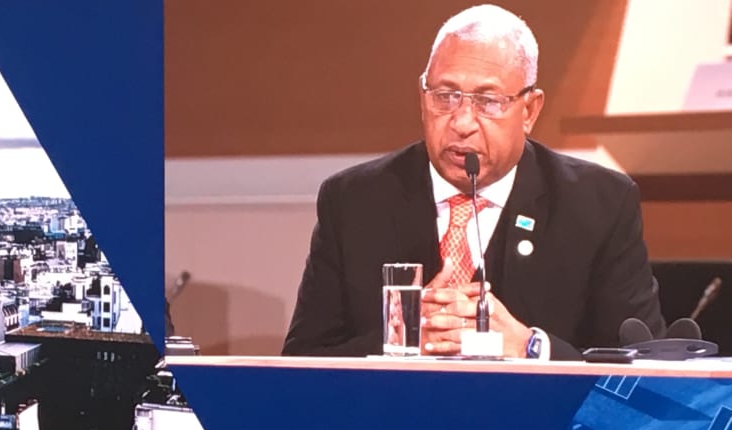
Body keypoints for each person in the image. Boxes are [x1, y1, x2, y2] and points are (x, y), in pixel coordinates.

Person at [282, 4, 663, 361]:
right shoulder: (354, 202)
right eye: (445, 97)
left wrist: (530, 347)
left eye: (488, 101)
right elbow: (299, 364)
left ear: (529, 110)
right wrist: (398, 340)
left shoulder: (600, 206)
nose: (462, 123)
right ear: (422, 98)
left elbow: (643, 373)